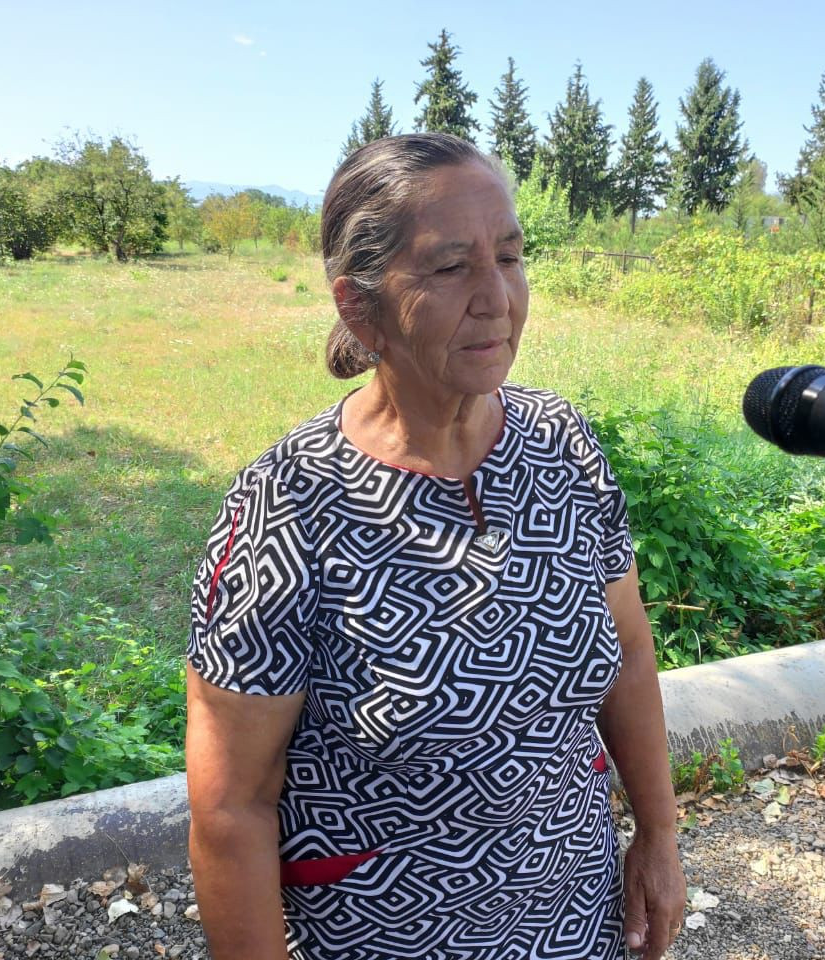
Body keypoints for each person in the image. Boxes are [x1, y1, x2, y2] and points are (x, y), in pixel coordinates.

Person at [185, 132, 686, 960]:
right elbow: (231, 807)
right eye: (452, 267)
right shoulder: (290, 506)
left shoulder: (561, 445)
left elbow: (628, 652)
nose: (497, 298)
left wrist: (658, 836)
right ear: (361, 307)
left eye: (510, 258)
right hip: (389, 935)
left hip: (578, 919)